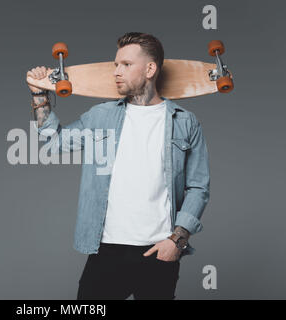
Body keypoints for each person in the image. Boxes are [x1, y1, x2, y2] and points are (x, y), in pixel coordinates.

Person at [26, 32, 210, 300]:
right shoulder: (101, 115)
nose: (116, 72)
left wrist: (176, 241)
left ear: (150, 69)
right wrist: (38, 93)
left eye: (126, 64)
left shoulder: (185, 122)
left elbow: (198, 186)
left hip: (159, 252)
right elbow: (54, 144)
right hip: (106, 251)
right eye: (115, 65)